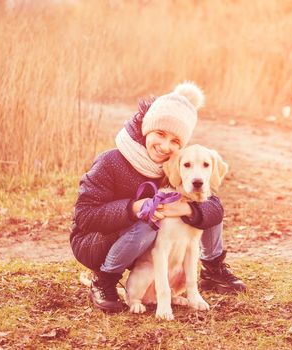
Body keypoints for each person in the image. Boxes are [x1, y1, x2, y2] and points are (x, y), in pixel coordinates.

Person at [70, 82, 246, 313]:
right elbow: (84, 216)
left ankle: (213, 270)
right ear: (146, 129)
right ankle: (103, 281)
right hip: (95, 240)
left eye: (175, 141)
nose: (165, 146)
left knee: (206, 209)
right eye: (160, 134)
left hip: (143, 250)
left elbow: (213, 207)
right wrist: (133, 208)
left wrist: (188, 210)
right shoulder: (110, 161)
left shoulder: (172, 166)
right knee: (147, 227)